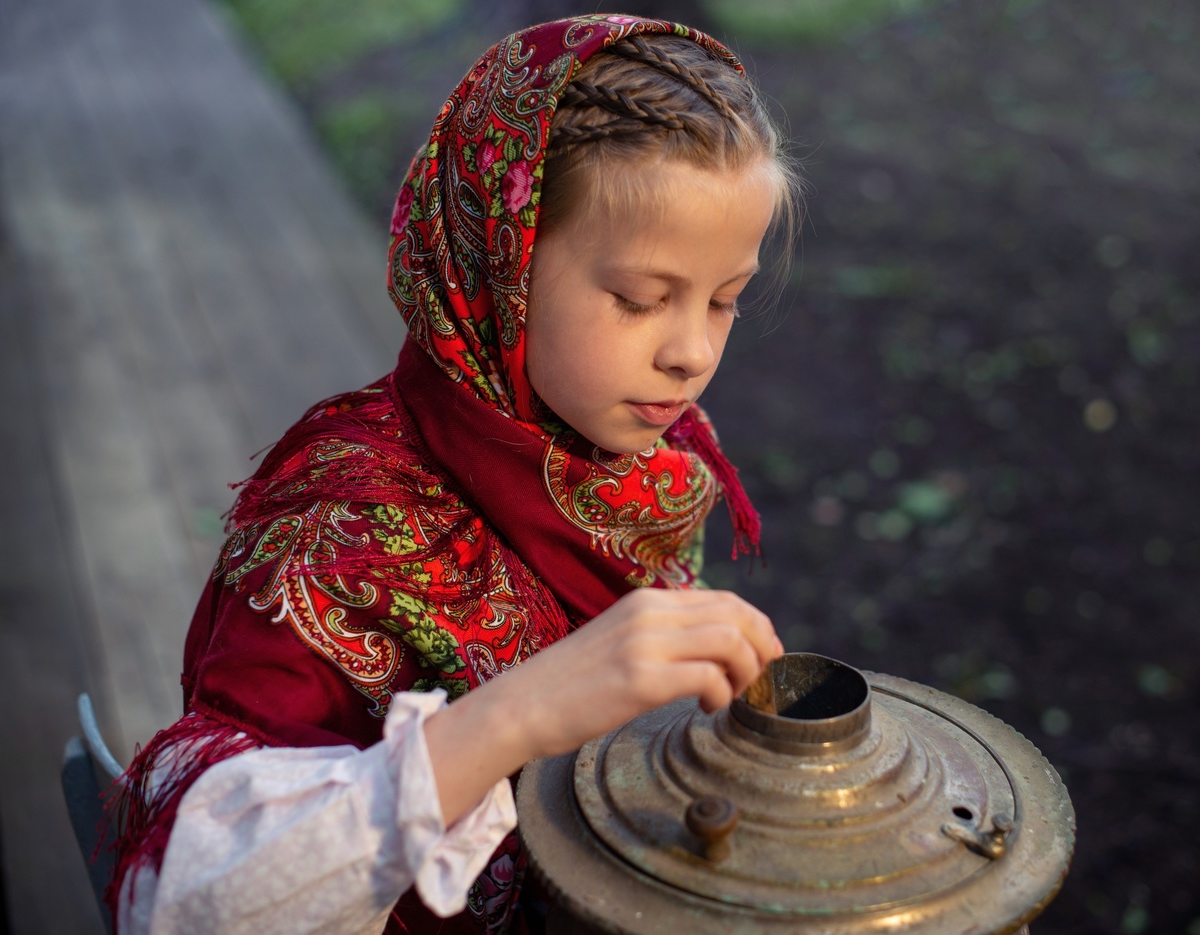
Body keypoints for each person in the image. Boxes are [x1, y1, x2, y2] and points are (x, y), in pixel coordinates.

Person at [105, 13, 800, 935]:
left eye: (725, 301)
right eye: (640, 299)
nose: (690, 352)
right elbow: (190, 899)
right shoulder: (339, 526)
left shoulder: (647, 466)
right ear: (499, 271)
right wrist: (520, 712)